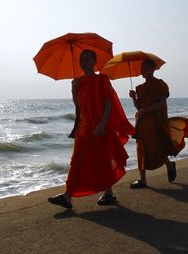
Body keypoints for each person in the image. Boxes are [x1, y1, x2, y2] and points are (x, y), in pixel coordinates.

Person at [48, 49, 135, 209]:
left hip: (100, 127)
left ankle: (108, 193)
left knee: (102, 161)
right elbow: (79, 107)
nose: (84, 62)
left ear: (95, 62)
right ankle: (67, 196)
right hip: (84, 128)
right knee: (77, 162)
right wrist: (73, 91)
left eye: (88, 59)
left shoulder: (102, 80)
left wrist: (102, 125)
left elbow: (108, 104)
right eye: (82, 59)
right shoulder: (78, 83)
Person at [129, 60, 188, 189]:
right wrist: (134, 99)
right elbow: (139, 107)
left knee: (156, 149)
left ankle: (169, 165)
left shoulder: (160, 84)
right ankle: (142, 180)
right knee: (141, 150)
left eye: (146, 67)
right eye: (142, 68)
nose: (143, 70)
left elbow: (161, 104)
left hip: (156, 123)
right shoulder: (139, 88)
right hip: (142, 124)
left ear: (153, 69)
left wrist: (145, 110)